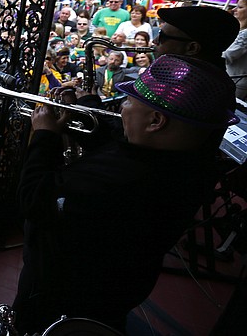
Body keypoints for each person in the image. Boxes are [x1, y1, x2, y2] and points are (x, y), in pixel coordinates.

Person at [14, 54, 238, 334]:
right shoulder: (189, 162)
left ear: (156, 120)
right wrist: (85, 106)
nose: (121, 109)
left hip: (60, 292)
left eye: (130, 102)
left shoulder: (119, 178)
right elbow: (119, 141)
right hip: (119, 292)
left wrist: (44, 136)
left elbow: (34, 198)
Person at [224, 0, 247, 99]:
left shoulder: (245, 34)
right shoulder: (239, 31)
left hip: (235, 83)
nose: (234, 9)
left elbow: (227, 56)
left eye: (240, 7)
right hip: (230, 79)